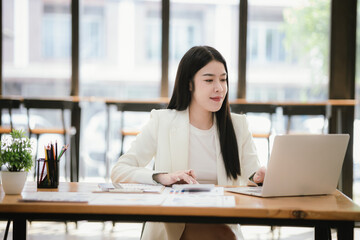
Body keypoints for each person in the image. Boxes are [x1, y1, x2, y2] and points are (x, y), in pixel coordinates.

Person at [111, 46, 266, 240]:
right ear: (189, 84)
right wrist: (161, 177)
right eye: (209, 80)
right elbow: (119, 171)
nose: (219, 87)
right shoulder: (163, 121)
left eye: (223, 79)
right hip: (174, 227)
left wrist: (260, 178)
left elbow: (253, 177)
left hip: (221, 224)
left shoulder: (238, 125)